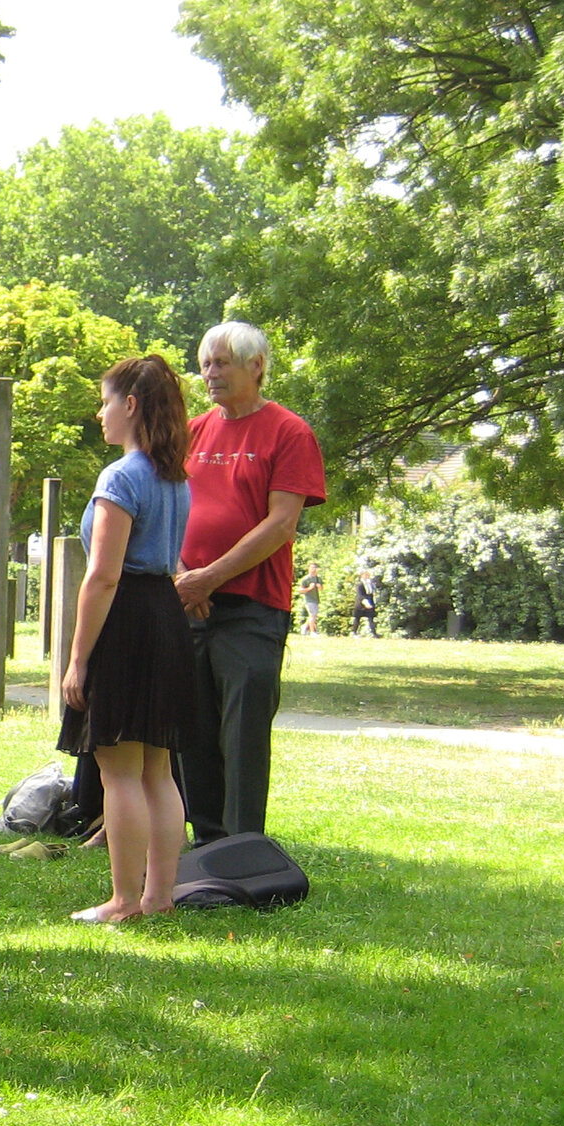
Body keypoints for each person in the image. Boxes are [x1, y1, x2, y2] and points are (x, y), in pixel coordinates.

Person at [175, 321, 326, 841]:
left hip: (251, 608)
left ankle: (242, 849)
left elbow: (281, 523)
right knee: (189, 730)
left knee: (242, 735)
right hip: (187, 606)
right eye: (204, 364)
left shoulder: (289, 432)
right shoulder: (190, 432)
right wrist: (181, 577)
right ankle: (206, 843)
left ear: (255, 366)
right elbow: (165, 509)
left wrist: (209, 578)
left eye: (220, 363)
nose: (209, 374)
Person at [59, 356, 197, 924]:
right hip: (165, 615)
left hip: (126, 620)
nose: (100, 412)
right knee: (157, 770)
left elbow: (103, 575)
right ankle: (159, 896)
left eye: (106, 400)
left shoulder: (121, 477)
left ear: (131, 406)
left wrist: (76, 659)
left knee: (119, 771)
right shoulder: (175, 476)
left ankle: (123, 900)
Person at [352, 569, 380, 638]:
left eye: (368, 574)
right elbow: (360, 595)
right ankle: (354, 632)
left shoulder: (370, 583)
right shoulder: (360, 584)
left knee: (371, 618)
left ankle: (374, 633)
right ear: (362, 575)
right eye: (366, 574)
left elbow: (371, 593)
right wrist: (365, 602)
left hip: (370, 601)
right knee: (357, 618)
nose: (367, 576)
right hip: (361, 603)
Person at [298, 562, 323, 635]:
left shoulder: (318, 578)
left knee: (314, 615)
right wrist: (309, 588)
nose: (314, 569)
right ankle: (312, 632)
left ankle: (304, 627)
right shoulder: (306, 579)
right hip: (308, 600)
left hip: (316, 600)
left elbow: (321, 589)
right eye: (312, 567)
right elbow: (300, 590)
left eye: (315, 568)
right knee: (312, 615)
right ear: (308, 569)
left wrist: (319, 587)